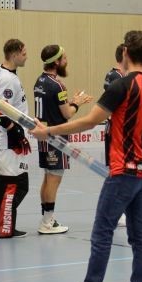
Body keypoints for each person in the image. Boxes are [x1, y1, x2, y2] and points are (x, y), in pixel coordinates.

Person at [40, 31, 142, 282]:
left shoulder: (121, 86)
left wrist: (48, 131)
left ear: (125, 52)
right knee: (140, 236)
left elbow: (89, 121)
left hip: (122, 173)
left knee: (102, 234)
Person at [33, 45, 93, 235]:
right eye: (64, 58)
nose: (67, 61)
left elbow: (54, 106)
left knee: (47, 178)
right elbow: (67, 113)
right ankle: (47, 222)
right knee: (54, 179)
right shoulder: (58, 85)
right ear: (56, 62)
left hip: (43, 135)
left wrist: (70, 101)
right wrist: (77, 103)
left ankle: (47, 218)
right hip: (56, 137)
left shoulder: (39, 81)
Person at [0, 39, 31, 238]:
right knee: (16, 184)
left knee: (2, 183)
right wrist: (16, 132)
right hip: (8, 139)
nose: (26, 57)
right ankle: (4, 227)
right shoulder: (8, 79)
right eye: (24, 53)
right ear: (14, 55)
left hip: (1, 138)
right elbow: (0, 110)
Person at [104, 45, 126, 227]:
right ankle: (115, 211)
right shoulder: (116, 76)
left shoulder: (117, 75)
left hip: (120, 130)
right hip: (116, 130)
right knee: (117, 171)